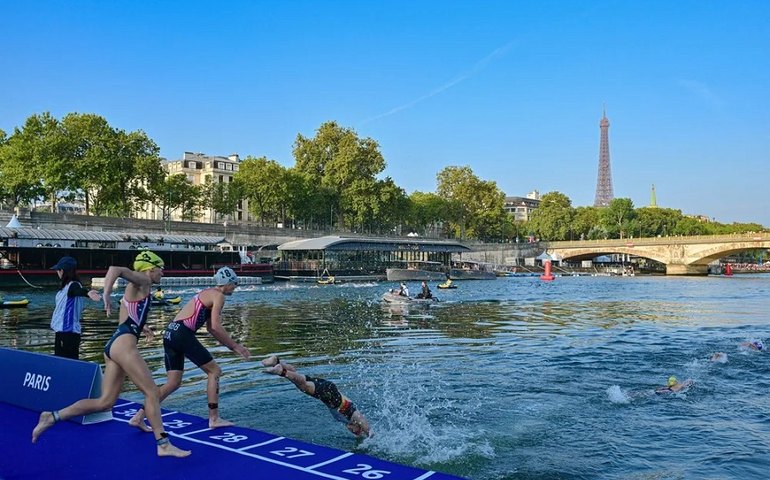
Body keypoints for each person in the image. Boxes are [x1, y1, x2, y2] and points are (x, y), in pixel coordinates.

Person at [32, 250, 190, 458]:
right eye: (161, 269)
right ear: (150, 268)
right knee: (152, 392)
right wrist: (106, 293)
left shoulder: (137, 288)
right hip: (124, 346)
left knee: (105, 402)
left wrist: (143, 328)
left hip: (115, 344)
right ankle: (163, 443)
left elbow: (128, 316)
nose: (163, 273)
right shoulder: (143, 279)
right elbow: (115, 269)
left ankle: (52, 417)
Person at [129, 266, 250, 430]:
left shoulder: (207, 293)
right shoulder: (219, 296)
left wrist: (228, 345)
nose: (235, 287)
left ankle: (138, 417)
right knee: (214, 371)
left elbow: (210, 328)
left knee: (173, 383)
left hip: (170, 333)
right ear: (227, 283)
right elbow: (215, 326)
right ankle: (214, 418)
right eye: (234, 284)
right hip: (182, 334)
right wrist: (235, 346)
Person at [262, 355, 370, 438]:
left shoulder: (346, 420)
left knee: (297, 375)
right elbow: (362, 420)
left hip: (328, 390)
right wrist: (370, 435)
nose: (353, 432)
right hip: (330, 393)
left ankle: (276, 361)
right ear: (357, 425)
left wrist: (359, 435)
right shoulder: (352, 415)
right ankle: (281, 371)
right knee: (304, 386)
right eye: (356, 431)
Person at [50, 256, 101, 359]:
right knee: (61, 362)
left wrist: (87, 293)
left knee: (66, 362)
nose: (57, 272)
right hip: (61, 331)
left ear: (62, 271)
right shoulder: (65, 287)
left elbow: (78, 291)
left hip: (68, 332)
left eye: (58, 270)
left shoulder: (73, 285)